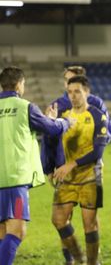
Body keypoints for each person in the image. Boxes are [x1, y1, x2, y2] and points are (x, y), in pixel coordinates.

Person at [42, 65, 111, 264]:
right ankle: (77, 258)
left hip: (90, 174)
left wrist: (75, 161)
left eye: (76, 90)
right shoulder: (62, 113)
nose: (72, 94)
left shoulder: (97, 112)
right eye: (69, 90)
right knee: (59, 219)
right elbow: (49, 141)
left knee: (88, 223)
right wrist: (50, 166)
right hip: (67, 176)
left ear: (86, 91)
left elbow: (103, 142)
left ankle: (92, 262)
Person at [0, 66, 70, 265]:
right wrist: (65, 122)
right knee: (17, 232)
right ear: (20, 84)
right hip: (16, 181)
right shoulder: (25, 107)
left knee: (3, 233)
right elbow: (52, 129)